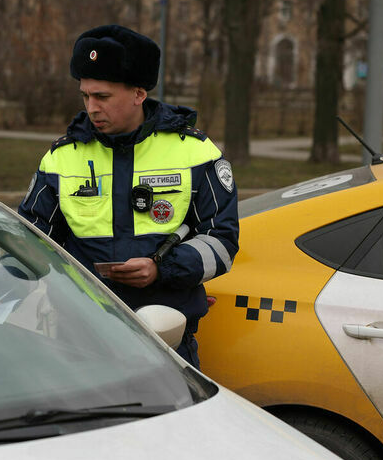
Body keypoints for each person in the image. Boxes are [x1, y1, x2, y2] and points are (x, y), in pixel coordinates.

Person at [18, 24, 239, 368]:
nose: (91, 108)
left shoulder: (195, 153)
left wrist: (162, 268)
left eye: (102, 97)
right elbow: (29, 241)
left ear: (138, 94)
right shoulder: (61, 158)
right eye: (85, 96)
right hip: (80, 342)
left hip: (165, 342)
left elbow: (222, 243)